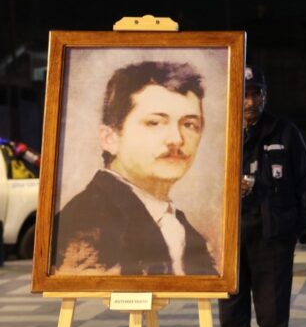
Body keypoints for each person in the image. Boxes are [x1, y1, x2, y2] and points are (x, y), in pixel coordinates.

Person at [53, 61, 217, 275]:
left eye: (189, 125)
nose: (176, 139)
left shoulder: (179, 225)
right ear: (110, 138)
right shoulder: (85, 224)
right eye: (155, 123)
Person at [218, 64, 306, 327]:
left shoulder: (284, 131)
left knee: (273, 319)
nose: (250, 100)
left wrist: (293, 230)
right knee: (233, 319)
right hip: (231, 241)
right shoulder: (221, 131)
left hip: (271, 242)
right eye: (244, 94)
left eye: (256, 92)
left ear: (265, 95)